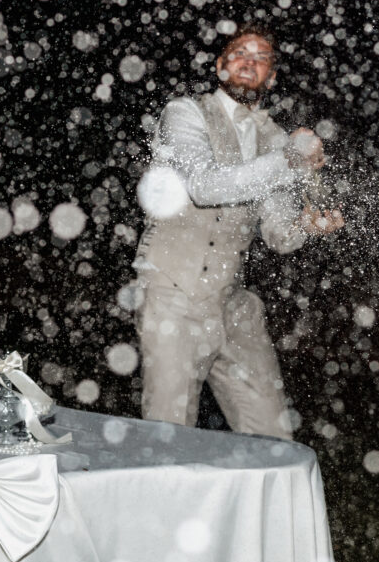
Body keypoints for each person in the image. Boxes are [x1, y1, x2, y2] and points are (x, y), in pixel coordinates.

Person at [136, 23, 343, 439]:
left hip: (233, 303)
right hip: (173, 294)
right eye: (239, 53)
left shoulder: (273, 137)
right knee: (168, 438)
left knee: (274, 437)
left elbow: (279, 235)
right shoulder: (184, 113)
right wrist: (288, 160)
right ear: (220, 66)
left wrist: (307, 224)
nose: (249, 62)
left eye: (261, 57)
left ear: (272, 76)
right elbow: (204, 186)